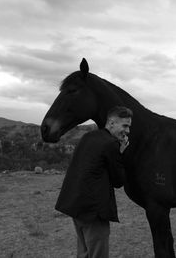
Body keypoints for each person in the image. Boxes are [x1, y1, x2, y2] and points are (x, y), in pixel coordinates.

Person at [55, 106, 133, 258]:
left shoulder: (88, 137)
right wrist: (121, 153)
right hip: (93, 212)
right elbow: (118, 181)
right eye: (125, 125)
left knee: (83, 253)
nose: (128, 131)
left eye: (129, 127)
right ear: (111, 123)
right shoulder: (111, 144)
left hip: (75, 205)